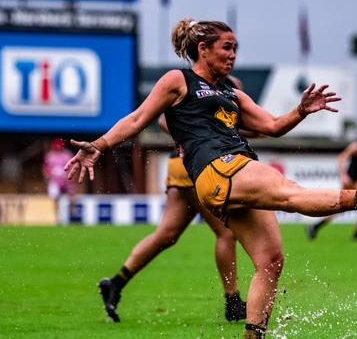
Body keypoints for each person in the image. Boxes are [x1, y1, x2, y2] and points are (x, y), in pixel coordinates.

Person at [65, 18, 357, 338]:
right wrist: (99, 145)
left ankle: (253, 335)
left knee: (270, 259)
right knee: (288, 192)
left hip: (235, 169)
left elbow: (271, 126)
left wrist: (300, 111)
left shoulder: (232, 92)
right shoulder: (179, 80)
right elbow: (137, 118)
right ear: (202, 49)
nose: (233, 55)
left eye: (236, 48)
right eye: (226, 47)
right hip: (217, 169)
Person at [97, 77, 248, 324]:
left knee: (166, 234)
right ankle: (232, 302)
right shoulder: (220, 84)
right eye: (226, 47)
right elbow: (163, 120)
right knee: (226, 234)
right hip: (199, 166)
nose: (230, 55)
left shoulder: (213, 84)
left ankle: (115, 283)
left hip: (179, 166)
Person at [306, 127, 357, 240]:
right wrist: (343, 175)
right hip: (349, 181)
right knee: (341, 208)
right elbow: (341, 157)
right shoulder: (356, 146)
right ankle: (316, 226)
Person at [43, 138, 75, 215]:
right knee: (54, 197)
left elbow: (73, 167)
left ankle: (72, 215)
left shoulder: (67, 154)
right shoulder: (50, 156)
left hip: (66, 180)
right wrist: (49, 176)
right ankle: (56, 215)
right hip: (54, 181)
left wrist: (70, 177)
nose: (58, 148)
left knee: (72, 198)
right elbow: (45, 169)